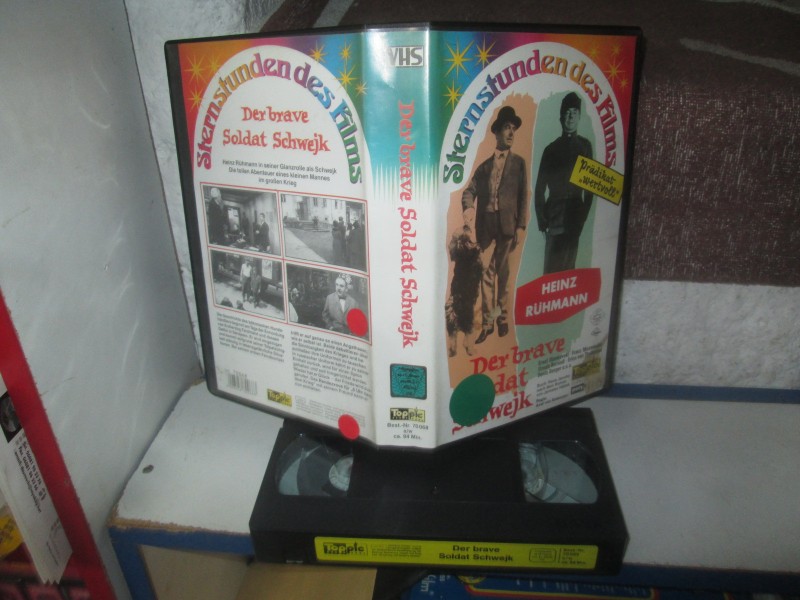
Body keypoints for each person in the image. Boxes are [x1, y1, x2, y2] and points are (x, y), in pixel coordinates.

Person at [461, 105, 530, 344]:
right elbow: (468, 191)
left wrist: (521, 226)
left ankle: (500, 320)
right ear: (497, 133)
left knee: (501, 273)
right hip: (486, 228)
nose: (511, 133)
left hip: (508, 227)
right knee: (488, 274)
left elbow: (523, 196)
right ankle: (489, 323)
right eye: (506, 128)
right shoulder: (484, 167)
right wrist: (469, 211)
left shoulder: (519, 163)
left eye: (513, 129)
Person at [534, 92, 594, 274]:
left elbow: (590, 189)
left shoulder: (585, 146)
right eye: (567, 112)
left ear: (579, 116)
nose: (570, 117)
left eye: (574, 112)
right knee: (550, 270)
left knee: (568, 271)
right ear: (561, 117)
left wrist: (582, 217)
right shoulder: (550, 150)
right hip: (553, 217)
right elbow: (539, 189)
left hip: (574, 216)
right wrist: (542, 221)